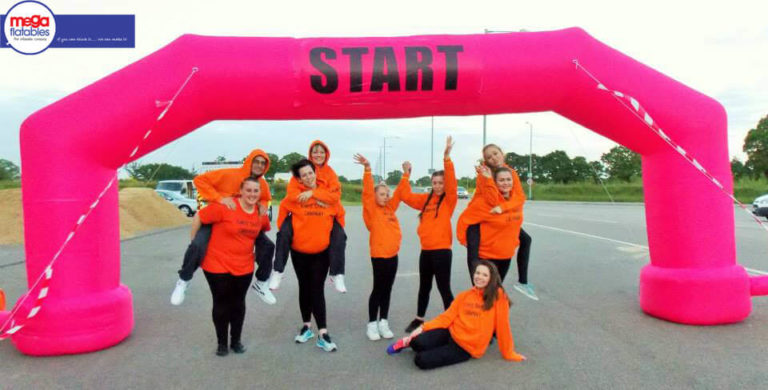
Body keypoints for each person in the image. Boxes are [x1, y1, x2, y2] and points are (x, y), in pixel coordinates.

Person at [171, 150, 277, 306]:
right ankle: (184, 280)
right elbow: (200, 180)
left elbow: (266, 198)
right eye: (257, 161)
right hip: (218, 217)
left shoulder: (262, 184)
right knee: (197, 245)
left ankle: (261, 282)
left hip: (245, 219)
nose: (260, 165)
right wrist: (219, 199)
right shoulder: (230, 174)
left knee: (268, 246)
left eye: (263, 163)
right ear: (249, 161)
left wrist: (262, 205)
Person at [387, 260, 526, 370]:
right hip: (451, 332)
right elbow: (446, 317)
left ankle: (431, 348)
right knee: (417, 342)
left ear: (492, 278)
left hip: (466, 347)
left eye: (484, 275)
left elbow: (503, 326)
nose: (479, 277)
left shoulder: (499, 296)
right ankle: (407, 342)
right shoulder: (465, 295)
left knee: (421, 361)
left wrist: (509, 353)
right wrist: (423, 327)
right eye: (477, 273)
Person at [198, 177, 267, 356]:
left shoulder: (260, 213)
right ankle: (222, 343)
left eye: (256, 191)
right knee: (221, 302)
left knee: (238, 303)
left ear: (260, 194)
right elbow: (200, 216)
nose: (252, 194)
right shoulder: (226, 207)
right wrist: (194, 243)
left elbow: (263, 230)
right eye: (249, 190)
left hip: (244, 265)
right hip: (216, 264)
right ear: (241, 191)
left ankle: (236, 340)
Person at [271, 140, 348, 293]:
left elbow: (335, 196)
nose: (318, 154)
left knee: (340, 235)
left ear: (326, 154)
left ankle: (337, 273)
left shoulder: (330, 173)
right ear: (310, 154)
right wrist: (283, 225)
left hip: (327, 211)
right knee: (284, 233)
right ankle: (278, 271)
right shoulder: (300, 172)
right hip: (301, 207)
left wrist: (314, 194)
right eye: (315, 152)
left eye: (321, 152)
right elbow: (291, 196)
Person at [399, 136, 458, 333]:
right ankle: (419, 318)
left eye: (441, 182)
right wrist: (406, 175)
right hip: (426, 252)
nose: (438, 185)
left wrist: (447, 157)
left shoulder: (449, 201)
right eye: (435, 182)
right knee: (424, 286)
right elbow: (405, 196)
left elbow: (451, 183)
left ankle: (452, 321)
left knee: (444, 288)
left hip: (442, 252)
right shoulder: (426, 200)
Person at [466, 144, 537, 300]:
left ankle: (522, 282)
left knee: (526, 239)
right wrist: (487, 180)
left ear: (502, 153)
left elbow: (519, 198)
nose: (493, 158)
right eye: (489, 157)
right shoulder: (485, 174)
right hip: (480, 216)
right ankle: (478, 297)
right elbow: (491, 199)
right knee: (475, 258)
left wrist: (504, 207)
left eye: (495, 154)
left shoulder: (509, 173)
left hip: (501, 216)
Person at [282, 159, 339, 352]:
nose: (308, 176)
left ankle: (323, 332)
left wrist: (314, 193)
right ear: (299, 179)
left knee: (316, 289)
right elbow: (285, 206)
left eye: (310, 172)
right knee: (304, 288)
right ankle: (306, 326)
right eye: (303, 175)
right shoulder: (296, 196)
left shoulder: (326, 194)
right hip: (299, 252)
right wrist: (284, 230)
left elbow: (337, 206)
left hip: (320, 252)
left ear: (315, 172)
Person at [354, 153, 407, 341]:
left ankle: (383, 321)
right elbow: (367, 192)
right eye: (382, 194)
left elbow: (399, 194)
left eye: (387, 194)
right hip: (379, 256)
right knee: (378, 288)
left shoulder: (389, 208)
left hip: (393, 255)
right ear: (375, 195)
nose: (386, 197)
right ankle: (371, 324)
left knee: (388, 289)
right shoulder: (371, 210)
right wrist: (367, 169)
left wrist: (406, 175)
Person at [457, 165, 524, 283]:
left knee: (496, 291)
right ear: (495, 182)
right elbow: (464, 220)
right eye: (501, 180)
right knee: (484, 295)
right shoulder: (486, 202)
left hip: (506, 256)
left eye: (508, 179)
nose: (506, 183)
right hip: (486, 258)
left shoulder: (515, 202)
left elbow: (516, 227)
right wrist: (465, 242)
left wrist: (514, 244)